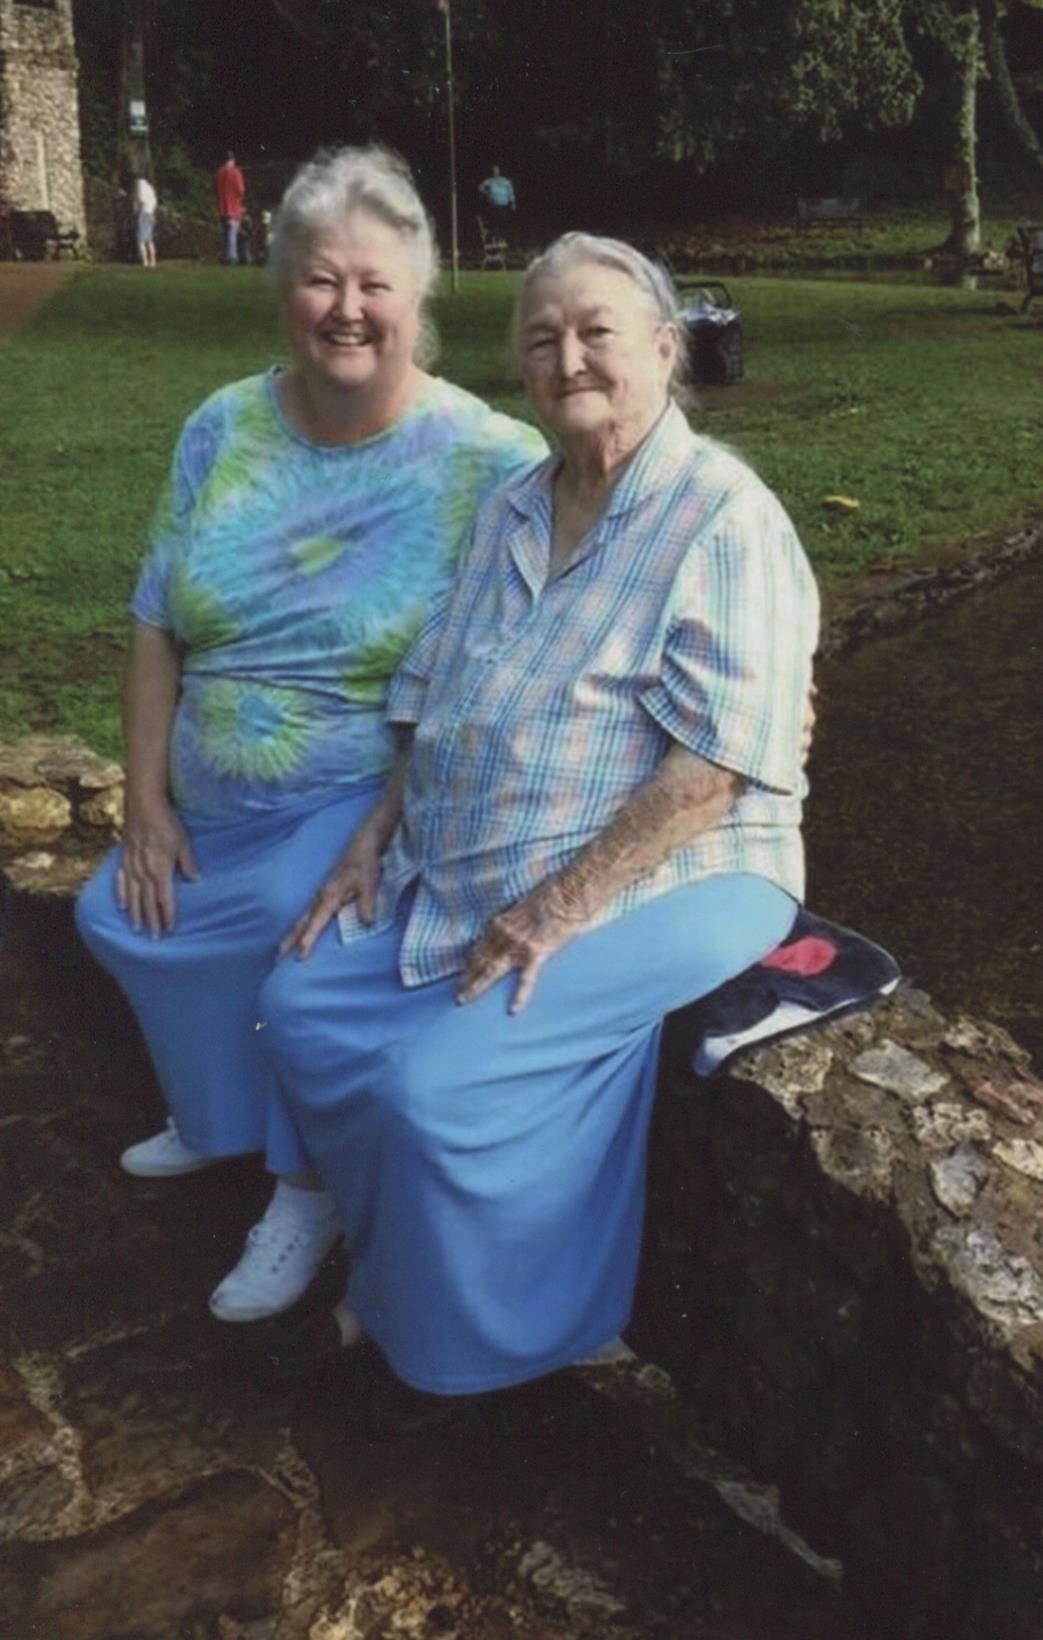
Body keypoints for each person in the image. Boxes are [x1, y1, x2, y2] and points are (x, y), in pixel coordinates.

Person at [253, 233, 819, 1399]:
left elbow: (716, 767)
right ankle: (373, 1236)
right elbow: (437, 691)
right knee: (299, 1007)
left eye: (596, 332)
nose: (568, 360)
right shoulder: (516, 504)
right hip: (480, 858)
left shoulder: (721, 516)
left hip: (683, 871)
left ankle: (470, 1339)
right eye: (542, 338)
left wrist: (557, 908)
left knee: (434, 1090)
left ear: (662, 347)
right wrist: (376, 831)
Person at [75, 147, 546, 1324]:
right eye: (321, 278)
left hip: (357, 796)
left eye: (373, 283)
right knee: (116, 909)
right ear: (282, 284)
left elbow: (605, 551)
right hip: (210, 800)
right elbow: (154, 625)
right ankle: (218, 1118)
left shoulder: (489, 458)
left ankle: (305, 1189)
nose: (346, 307)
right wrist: (146, 798)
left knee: (305, 933)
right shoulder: (221, 426)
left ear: (416, 295)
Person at [214, 150, 246, 264]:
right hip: (233, 208)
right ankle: (231, 257)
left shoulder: (219, 172)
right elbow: (240, 191)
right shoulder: (236, 172)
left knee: (224, 234)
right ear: (233, 160)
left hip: (222, 207)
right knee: (232, 233)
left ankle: (224, 256)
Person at [132, 174, 157, 269]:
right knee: (149, 240)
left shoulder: (140, 185)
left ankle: (145, 261)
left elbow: (140, 200)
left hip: (144, 215)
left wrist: (136, 207)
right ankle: (153, 261)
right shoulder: (150, 188)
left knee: (141, 240)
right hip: (151, 214)